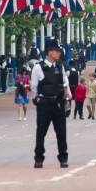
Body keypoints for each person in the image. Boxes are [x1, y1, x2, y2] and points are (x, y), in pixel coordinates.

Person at [31, 38, 72, 169]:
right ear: (49, 52)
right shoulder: (38, 67)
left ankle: (63, 157)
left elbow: (65, 83)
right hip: (44, 103)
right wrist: (40, 99)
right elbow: (34, 87)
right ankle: (38, 158)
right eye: (56, 51)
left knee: (61, 132)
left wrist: (68, 96)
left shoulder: (60, 66)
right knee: (41, 132)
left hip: (58, 103)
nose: (59, 53)